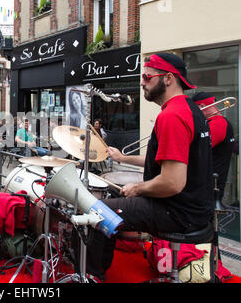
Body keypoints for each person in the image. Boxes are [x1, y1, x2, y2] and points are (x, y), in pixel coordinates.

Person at [85, 53, 214, 281]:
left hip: (178, 212)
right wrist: (123, 158)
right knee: (115, 194)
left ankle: (92, 276)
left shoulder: (172, 116)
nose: (142, 82)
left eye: (147, 76)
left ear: (168, 79)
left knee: (97, 211)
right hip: (196, 209)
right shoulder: (190, 110)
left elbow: (172, 182)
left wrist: (138, 188)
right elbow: (166, 159)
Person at [192, 92, 235, 207]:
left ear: (201, 107)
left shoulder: (218, 124)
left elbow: (194, 151)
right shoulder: (219, 122)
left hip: (209, 187)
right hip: (209, 185)